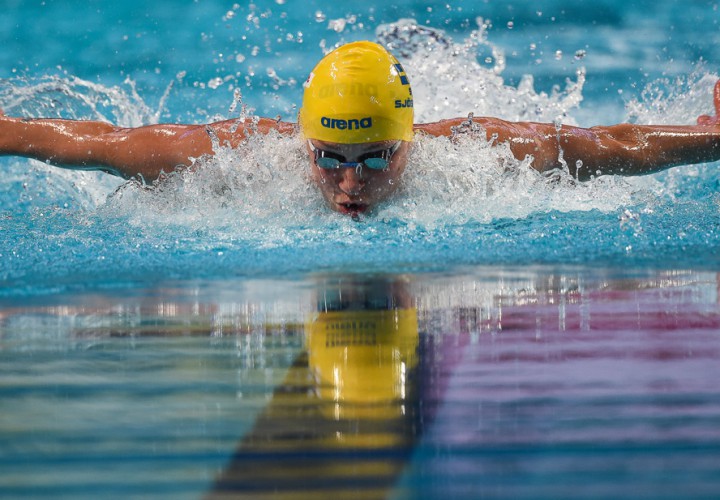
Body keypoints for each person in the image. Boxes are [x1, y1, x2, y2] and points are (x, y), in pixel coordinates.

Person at [1, 41, 719, 216]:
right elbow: (88, 144)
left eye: (376, 161)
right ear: (302, 142)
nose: (351, 184)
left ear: (408, 142)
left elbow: (610, 146)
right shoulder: (239, 158)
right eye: (330, 158)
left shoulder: (474, 155)